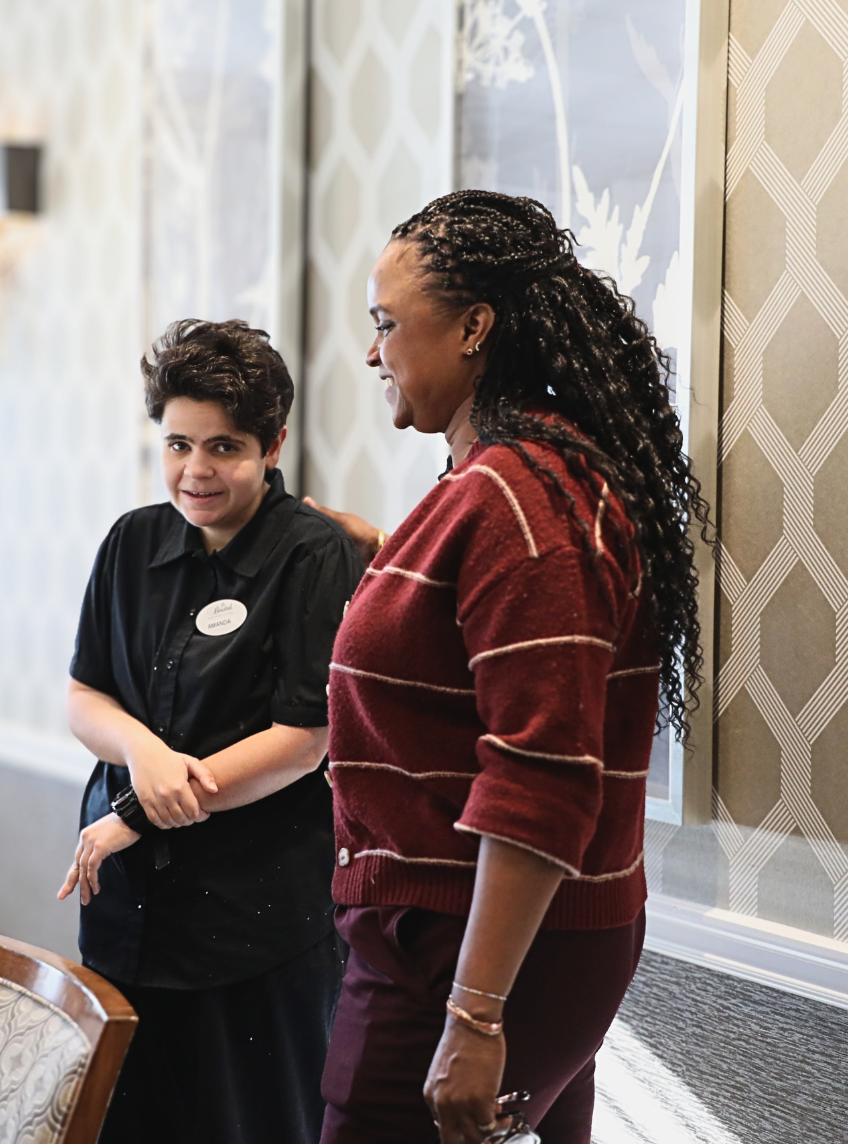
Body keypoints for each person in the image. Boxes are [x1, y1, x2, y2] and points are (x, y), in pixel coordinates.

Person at [313, 190, 710, 1144]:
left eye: (385, 325)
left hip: (465, 949)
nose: (373, 354)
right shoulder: (517, 485)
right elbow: (475, 659)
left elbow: (540, 777)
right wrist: (386, 568)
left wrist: (475, 1014)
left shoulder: (517, 499)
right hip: (504, 938)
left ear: (474, 328)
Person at [57, 319, 363, 1144]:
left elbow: (304, 739)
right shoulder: (132, 542)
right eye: (178, 443)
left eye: (224, 447)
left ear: (273, 445)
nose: (195, 471)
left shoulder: (311, 553)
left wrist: (135, 812)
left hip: (252, 922)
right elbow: (85, 694)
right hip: (127, 914)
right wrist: (143, 752)